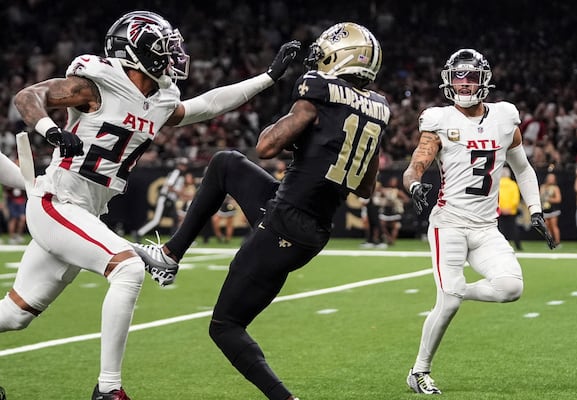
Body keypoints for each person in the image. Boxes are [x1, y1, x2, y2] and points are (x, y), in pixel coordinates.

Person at [1, 10, 300, 400]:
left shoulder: (159, 100)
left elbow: (208, 104)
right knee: (126, 268)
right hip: (57, 200)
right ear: (136, 51)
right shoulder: (98, 82)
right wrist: (51, 130)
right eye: (163, 48)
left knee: (15, 314)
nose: (172, 56)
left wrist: (268, 77)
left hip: (85, 211)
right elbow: (29, 96)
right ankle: (109, 390)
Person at [133, 22, 388, 400]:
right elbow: (365, 187)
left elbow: (266, 146)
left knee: (225, 326)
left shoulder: (317, 91)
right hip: (310, 226)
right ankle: (170, 255)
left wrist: (300, 122)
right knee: (225, 164)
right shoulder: (378, 108)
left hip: (284, 224)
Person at [402, 48, 555, 395]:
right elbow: (415, 165)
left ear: (484, 79)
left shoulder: (504, 117)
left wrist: (535, 210)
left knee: (511, 288)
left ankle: (457, 291)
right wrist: (413, 184)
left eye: (470, 76)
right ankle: (419, 371)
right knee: (450, 302)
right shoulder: (439, 120)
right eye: (458, 76)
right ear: (448, 80)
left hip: (487, 228)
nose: (464, 83)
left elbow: (523, 169)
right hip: (449, 225)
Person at [134, 157, 189, 239]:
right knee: (156, 220)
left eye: (185, 165)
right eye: (182, 165)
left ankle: (174, 238)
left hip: (169, 200)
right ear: (178, 165)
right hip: (165, 198)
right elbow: (169, 186)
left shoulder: (180, 175)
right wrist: (180, 193)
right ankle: (138, 233)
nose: (183, 167)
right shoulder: (176, 172)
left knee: (176, 219)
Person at [378, 175, 409, 246]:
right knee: (382, 224)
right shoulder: (385, 190)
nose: (393, 182)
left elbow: (406, 200)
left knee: (395, 226)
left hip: (394, 210)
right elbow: (379, 195)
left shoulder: (398, 191)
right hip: (385, 210)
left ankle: (392, 240)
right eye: (392, 181)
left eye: (394, 181)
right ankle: (388, 237)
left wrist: (398, 201)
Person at [498, 167, 523, 250]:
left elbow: (495, 197)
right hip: (511, 211)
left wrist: (500, 208)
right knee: (514, 229)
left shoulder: (497, 183)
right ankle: (518, 246)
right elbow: (516, 198)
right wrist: (510, 208)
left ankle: (501, 246)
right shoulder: (513, 184)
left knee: (500, 229)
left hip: (499, 211)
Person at [540, 172, 562, 247]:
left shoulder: (555, 188)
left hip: (553, 209)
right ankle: (550, 242)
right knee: (546, 227)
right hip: (545, 209)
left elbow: (558, 199)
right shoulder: (543, 187)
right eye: (549, 178)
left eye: (552, 178)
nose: (550, 179)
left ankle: (558, 242)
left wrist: (549, 199)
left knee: (554, 226)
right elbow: (540, 196)